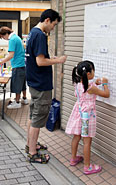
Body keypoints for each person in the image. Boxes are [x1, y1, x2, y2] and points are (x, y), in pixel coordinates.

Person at [25, 9, 66, 163]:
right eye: (54, 25)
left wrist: (51, 58)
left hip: (34, 81)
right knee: (37, 119)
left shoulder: (32, 33)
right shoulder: (40, 35)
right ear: (48, 20)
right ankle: (33, 153)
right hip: (41, 84)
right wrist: (58, 60)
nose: (53, 28)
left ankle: (31, 144)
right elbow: (40, 62)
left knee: (32, 115)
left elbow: (39, 57)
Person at [66, 60, 110, 175]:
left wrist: (95, 82)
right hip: (87, 116)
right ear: (89, 74)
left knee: (76, 137)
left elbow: (85, 90)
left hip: (78, 113)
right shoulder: (91, 88)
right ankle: (87, 167)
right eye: (93, 70)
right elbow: (106, 94)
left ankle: (73, 158)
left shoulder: (77, 83)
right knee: (87, 141)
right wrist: (105, 83)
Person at [0, 27, 28, 109]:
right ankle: (24, 98)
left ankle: (17, 102)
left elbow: (11, 55)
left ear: (5, 34)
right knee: (22, 83)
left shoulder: (12, 40)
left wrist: (0, 62)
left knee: (17, 84)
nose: (4, 39)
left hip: (17, 65)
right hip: (22, 64)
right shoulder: (17, 37)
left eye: (3, 37)